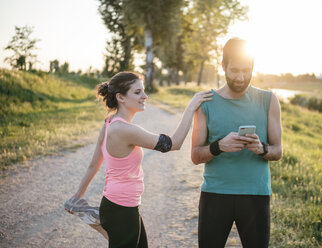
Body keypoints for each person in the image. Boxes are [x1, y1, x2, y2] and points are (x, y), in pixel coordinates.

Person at [65, 71, 212, 248]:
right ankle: (98, 219)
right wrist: (191, 107)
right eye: (137, 92)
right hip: (121, 209)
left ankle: (94, 217)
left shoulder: (110, 123)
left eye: (143, 91)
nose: (145, 96)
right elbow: (174, 144)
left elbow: (94, 164)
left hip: (121, 205)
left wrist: (77, 197)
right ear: (121, 97)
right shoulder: (124, 130)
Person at [191, 38, 282, 248]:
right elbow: (195, 155)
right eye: (234, 70)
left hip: (255, 195)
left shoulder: (269, 100)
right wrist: (218, 147)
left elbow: (278, 151)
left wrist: (261, 149)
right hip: (215, 195)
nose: (241, 77)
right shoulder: (206, 103)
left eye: (246, 70)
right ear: (223, 66)